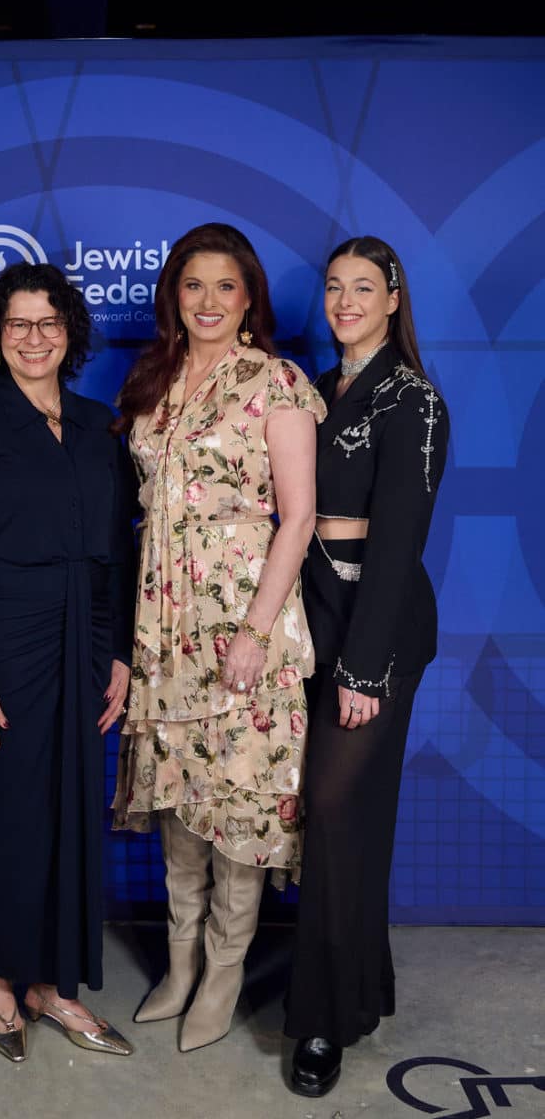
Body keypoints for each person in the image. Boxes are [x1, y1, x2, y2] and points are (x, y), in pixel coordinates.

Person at [112, 222, 325, 1052]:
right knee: (178, 805)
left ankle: (223, 973)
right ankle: (179, 966)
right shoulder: (153, 380)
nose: (207, 301)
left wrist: (254, 632)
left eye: (224, 286)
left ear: (248, 299)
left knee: (237, 809)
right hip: (164, 630)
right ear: (174, 294)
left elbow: (297, 517)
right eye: (192, 284)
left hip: (243, 628)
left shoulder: (275, 381)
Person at [0, 262, 135, 1064]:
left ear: (69, 332)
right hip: (6, 643)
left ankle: (53, 987)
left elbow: (117, 552)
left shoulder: (96, 425)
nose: (34, 337)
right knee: (10, 815)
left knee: (74, 816)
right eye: (18, 323)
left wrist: (116, 654)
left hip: (84, 640)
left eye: (48, 322)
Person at [284, 236, 449, 1098]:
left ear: (392, 299)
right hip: (308, 622)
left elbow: (394, 549)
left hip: (372, 636)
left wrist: (362, 671)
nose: (344, 301)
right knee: (327, 821)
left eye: (362, 287)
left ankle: (323, 1020)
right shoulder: (317, 390)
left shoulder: (412, 400)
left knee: (339, 817)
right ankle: (358, 984)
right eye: (333, 286)